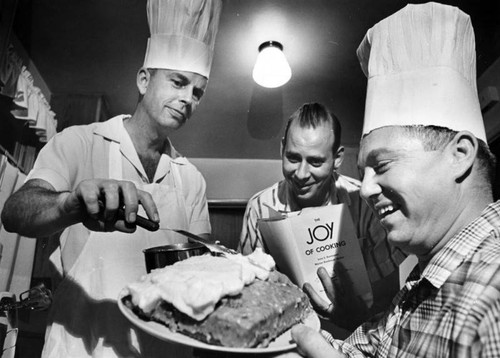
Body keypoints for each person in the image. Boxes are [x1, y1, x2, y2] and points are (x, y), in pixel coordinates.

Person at [0, 0, 222, 356]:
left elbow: (199, 272)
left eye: (198, 92)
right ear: (144, 79)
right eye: (178, 82)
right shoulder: (80, 142)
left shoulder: (191, 179)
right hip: (80, 348)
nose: (187, 99)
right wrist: (69, 204)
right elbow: (15, 212)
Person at [290, 2, 500, 357]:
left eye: (382, 165)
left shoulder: (492, 296)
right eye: (363, 174)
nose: (367, 189)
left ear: (459, 155)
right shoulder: (424, 282)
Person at [238, 102, 406, 331]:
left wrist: (353, 319)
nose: (301, 174)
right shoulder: (259, 206)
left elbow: (388, 298)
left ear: (337, 159)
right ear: (281, 149)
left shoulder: (366, 203)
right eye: (293, 158)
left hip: (356, 336)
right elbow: (249, 291)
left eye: (315, 161)